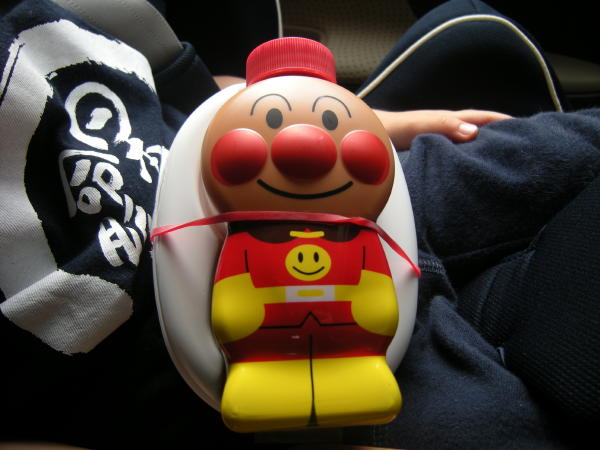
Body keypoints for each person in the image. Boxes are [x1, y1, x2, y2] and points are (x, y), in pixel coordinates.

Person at [0, 0, 597, 449]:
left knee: (565, 141)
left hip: (382, 194)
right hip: (212, 373)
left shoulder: (43, 19)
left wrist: (365, 122)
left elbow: (203, 90)